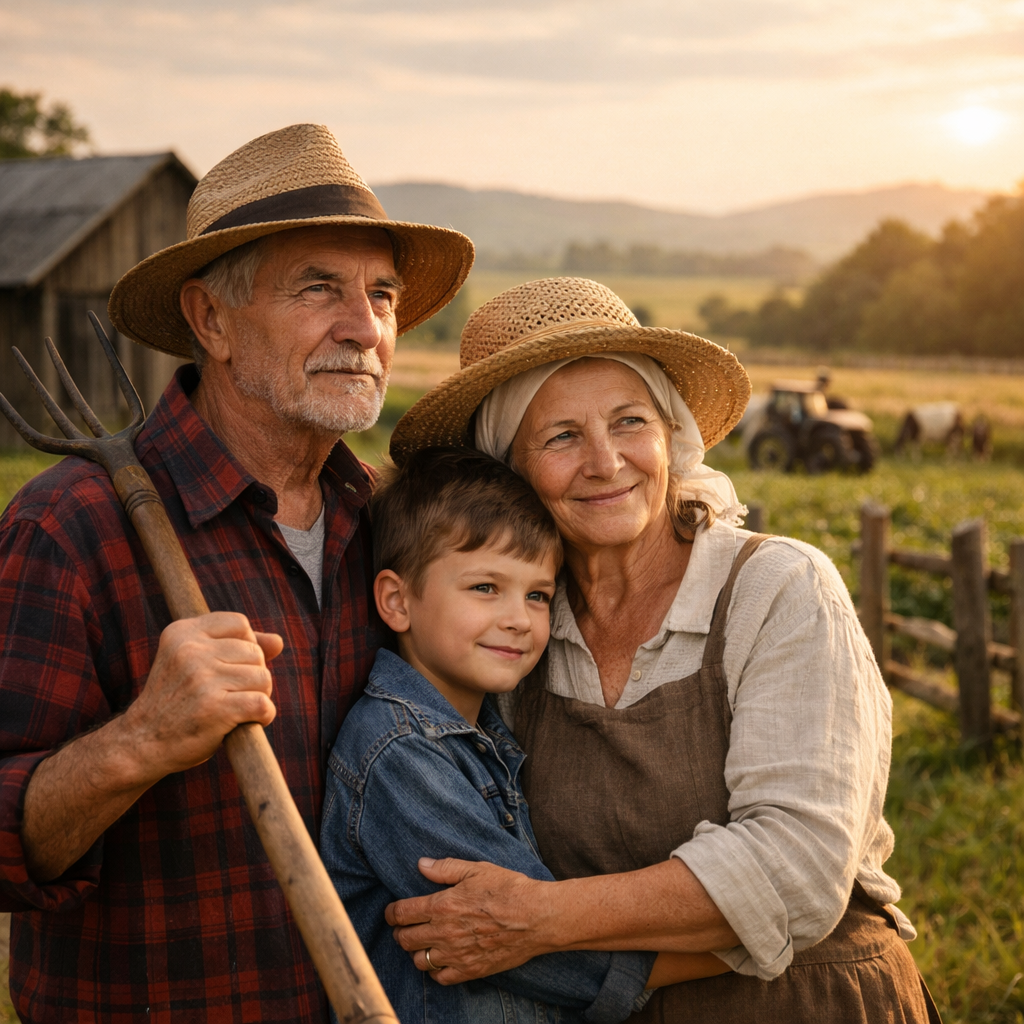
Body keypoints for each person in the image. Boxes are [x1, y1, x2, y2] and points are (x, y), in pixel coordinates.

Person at [0, 123, 473, 1023]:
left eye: (381, 294)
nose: (365, 327)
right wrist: (141, 740)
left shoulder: (392, 528)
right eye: (317, 289)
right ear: (210, 320)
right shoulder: (71, 529)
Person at [382, 277, 941, 1022]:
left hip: (811, 1002)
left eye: (629, 422)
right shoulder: (516, 636)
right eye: (561, 437)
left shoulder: (776, 587)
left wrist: (541, 919)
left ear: (672, 437)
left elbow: (800, 868)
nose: (607, 462)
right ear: (510, 473)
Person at [320, 447, 728, 1024]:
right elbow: (526, 945)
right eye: (486, 587)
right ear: (397, 600)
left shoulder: (484, 735)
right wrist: (724, 952)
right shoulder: (400, 752)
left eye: (537, 594)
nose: (519, 618)